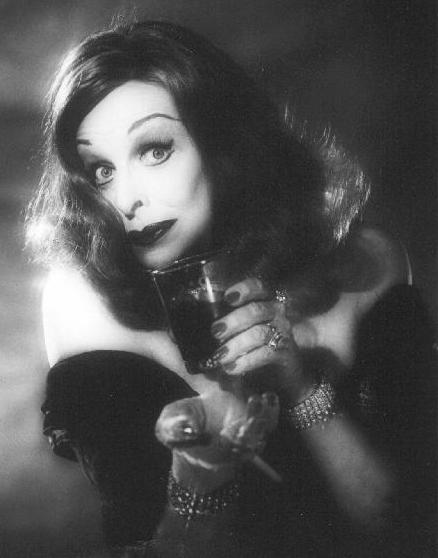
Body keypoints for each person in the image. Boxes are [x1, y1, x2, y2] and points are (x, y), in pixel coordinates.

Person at [26, 20, 436, 558]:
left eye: (154, 150)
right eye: (101, 170)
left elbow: (408, 527)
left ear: (224, 143)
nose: (125, 200)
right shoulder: (83, 304)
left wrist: (301, 387)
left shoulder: (362, 264)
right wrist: (201, 471)